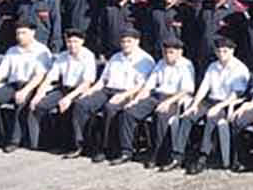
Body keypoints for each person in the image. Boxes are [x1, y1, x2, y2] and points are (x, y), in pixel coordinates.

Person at [107, 40, 196, 166]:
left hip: (175, 98)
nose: (168, 55)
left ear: (180, 52)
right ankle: (126, 151)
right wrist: (135, 100)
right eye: (165, 52)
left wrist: (168, 102)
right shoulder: (161, 63)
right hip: (157, 96)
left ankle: (158, 155)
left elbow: (186, 90)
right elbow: (148, 87)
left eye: (171, 52)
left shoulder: (186, 65)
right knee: (128, 113)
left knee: (161, 116)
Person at [0, 20, 52, 151]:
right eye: (18, 33)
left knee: (21, 101)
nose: (20, 36)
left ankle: (15, 140)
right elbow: (2, 71)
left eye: (23, 33)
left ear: (33, 33)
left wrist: (25, 91)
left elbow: (40, 76)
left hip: (31, 86)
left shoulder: (41, 51)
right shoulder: (12, 50)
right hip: (13, 85)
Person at [70, 29, 153, 158]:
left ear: (137, 42)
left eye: (129, 41)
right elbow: (103, 80)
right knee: (81, 104)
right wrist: (90, 91)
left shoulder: (145, 59)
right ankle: (82, 145)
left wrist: (123, 96)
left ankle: (108, 148)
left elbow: (141, 86)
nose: (125, 44)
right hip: (107, 89)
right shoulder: (116, 57)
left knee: (110, 108)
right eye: (123, 41)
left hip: (128, 92)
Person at [176, 36, 253, 174]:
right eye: (219, 51)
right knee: (188, 115)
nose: (221, 54)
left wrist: (218, 107)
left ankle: (203, 157)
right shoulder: (213, 66)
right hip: (210, 100)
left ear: (232, 51)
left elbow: (236, 94)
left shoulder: (240, 68)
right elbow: (204, 87)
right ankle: (178, 155)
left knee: (211, 119)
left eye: (225, 51)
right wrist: (194, 104)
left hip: (227, 103)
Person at [16, 27, 96, 151]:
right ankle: (46, 141)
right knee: (39, 106)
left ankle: (76, 146)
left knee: (74, 107)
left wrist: (68, 98)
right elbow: (49, 78)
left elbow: (87, 83)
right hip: (63, 89)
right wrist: (38, 95)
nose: (72, 45)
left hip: (79, 90)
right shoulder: (63, 56)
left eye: (75, 41)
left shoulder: (88, 56)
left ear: (82, 42)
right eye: (69, 42)